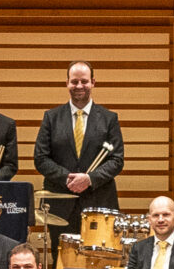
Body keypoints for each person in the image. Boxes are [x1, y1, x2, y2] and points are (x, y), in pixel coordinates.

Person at [33, 60, 124, 220]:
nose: (79, 86)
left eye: (84, 81)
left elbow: (116, 160)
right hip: (60, 205)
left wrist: (89, 179)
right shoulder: (51, 118)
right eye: (74, 81)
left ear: (93, 82)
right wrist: (68, 178)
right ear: (67, 83)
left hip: (99, 203)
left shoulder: (109, 119)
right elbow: (41, 158)